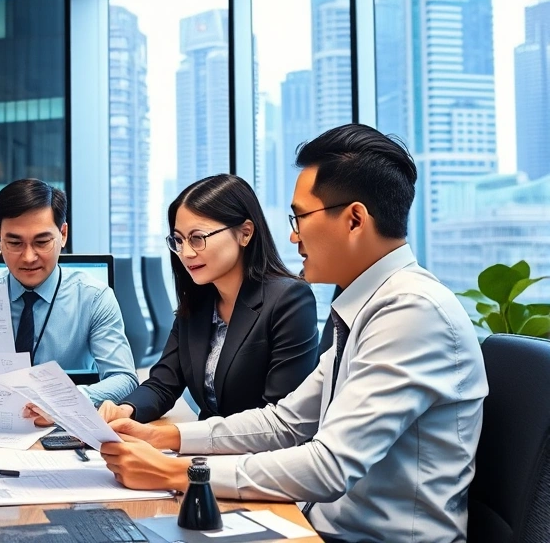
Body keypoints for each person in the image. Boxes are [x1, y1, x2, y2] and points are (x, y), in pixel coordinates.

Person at [100, 124, 488, 543]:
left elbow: (328, 466)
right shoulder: (367, 308)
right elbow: (286, 422)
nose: (292, 234)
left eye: (300, 216)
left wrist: (175, 470)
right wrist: (163, 436)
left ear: (355, 219)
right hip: (318, 524)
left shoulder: (411, 311)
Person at [98, 174, 318, 424]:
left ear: (245, 233)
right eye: (178, 240)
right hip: (207, 454)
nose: (186, 253)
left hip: (261, 457)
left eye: (197, 238)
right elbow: (163, 383)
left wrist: (174, 438)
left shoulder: (289, 300)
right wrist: (126, 409)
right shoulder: (198, 306)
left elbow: (279, 418)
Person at [0, 179, 138, 419]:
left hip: (62, 429)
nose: (28, 257)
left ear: (63, 234)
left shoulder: (93, 297)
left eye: (41, 242)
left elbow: (124, 378)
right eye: (15, 243)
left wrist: (66, 402)